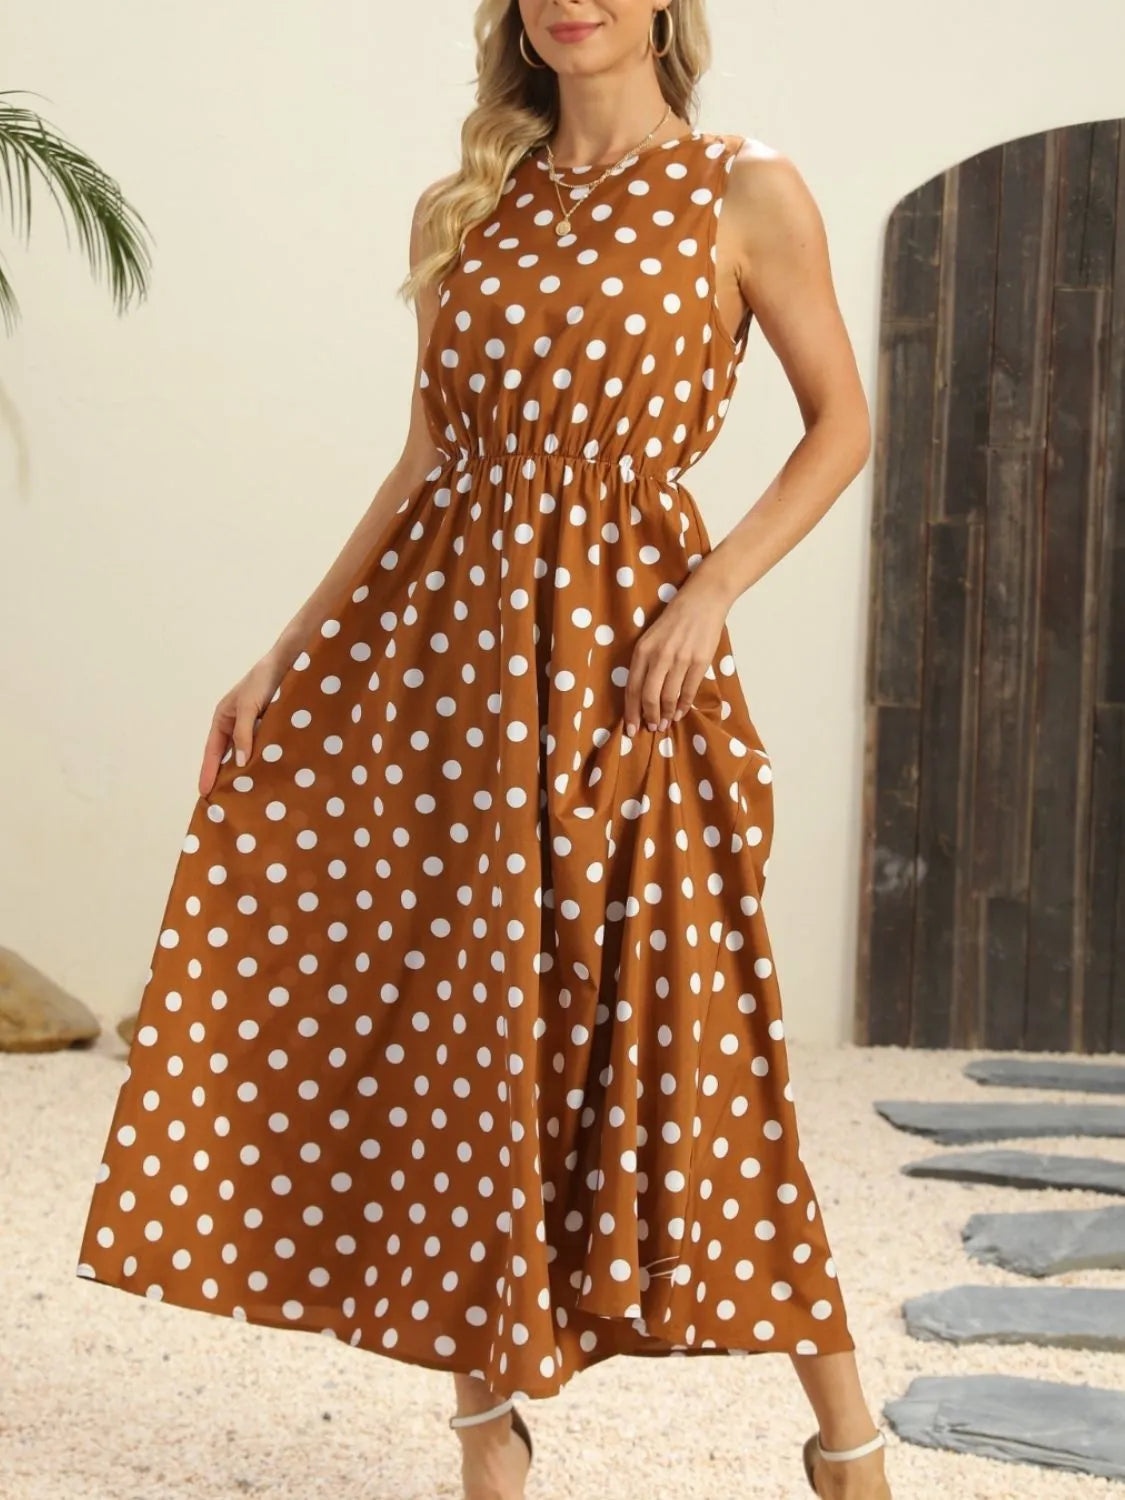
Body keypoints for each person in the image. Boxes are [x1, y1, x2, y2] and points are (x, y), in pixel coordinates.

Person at [76, 2, 892, 1497]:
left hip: (630, 661)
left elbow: (840, 424)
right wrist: (283, 654)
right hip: (445, 664)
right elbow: (426, 457)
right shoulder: (470, 200)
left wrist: (712, 591)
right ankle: (486, 1441)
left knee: (695, 1031)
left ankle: (845, 1442)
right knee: (472, 1029)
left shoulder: (745, 189)